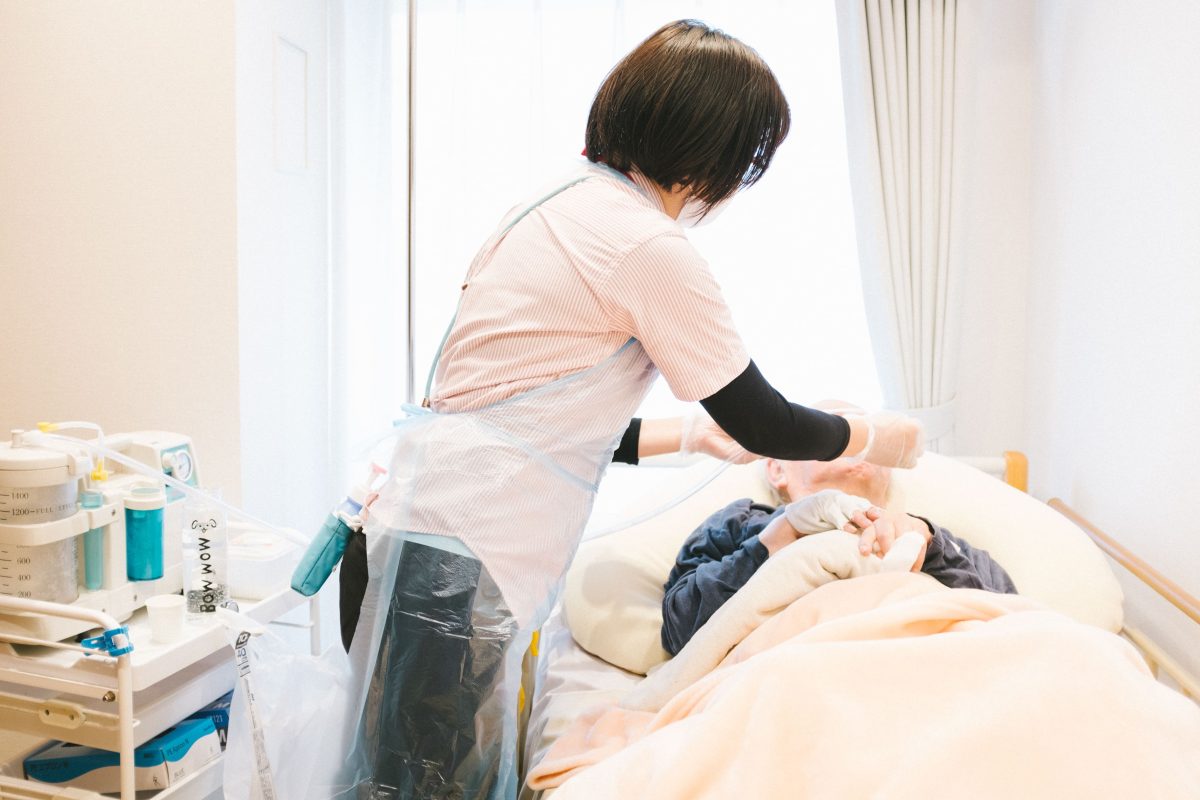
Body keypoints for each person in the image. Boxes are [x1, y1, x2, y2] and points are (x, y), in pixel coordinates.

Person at [338, 20, 925, 800]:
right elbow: (764, 422)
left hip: (416, 532)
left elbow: (531, 421)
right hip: (457, 558)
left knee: (399, 778)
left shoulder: (555, 206)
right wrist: (877, 436)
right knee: (419, 787)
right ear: (715, 152)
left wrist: (691, 437)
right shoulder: (648, 248)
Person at [660, 455, 1018, 655]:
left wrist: (930, 546)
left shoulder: (933, 539)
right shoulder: (740, 523)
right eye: (834, 428)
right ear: (777, 467)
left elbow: (1011, 620)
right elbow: (680, 631)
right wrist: (777, 538)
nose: (857, 444)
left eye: (869, 439)